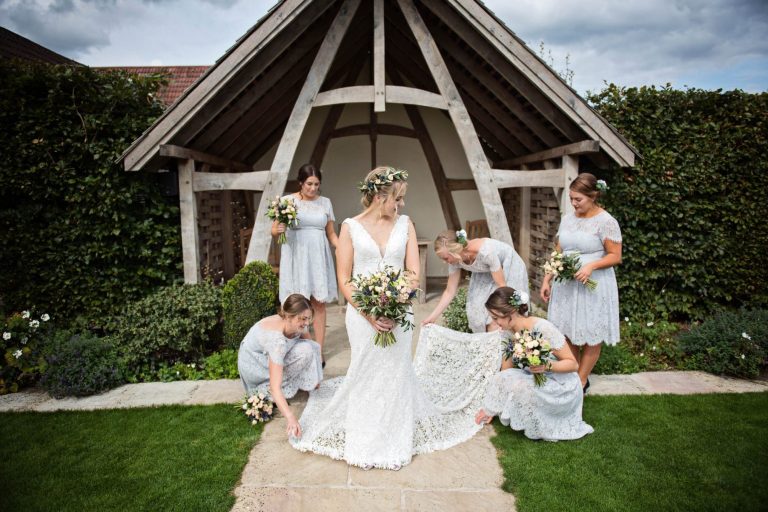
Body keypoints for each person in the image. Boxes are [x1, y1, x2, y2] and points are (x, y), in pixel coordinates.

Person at [291, 166, 502, 470]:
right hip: (361, 316)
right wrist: (369, 312)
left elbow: (413, 274)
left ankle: (395, 438)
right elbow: (344, 278)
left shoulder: (406, 224)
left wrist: (393, 304)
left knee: (395, 371)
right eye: (397, 198)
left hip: (398, 313)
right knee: (366, 371)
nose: (401, 204)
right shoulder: (350, 227)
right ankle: (365, 440)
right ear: (379, 195)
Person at [474, 287, 594, 441]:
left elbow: (573, 365)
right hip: (537, 377)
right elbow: (506, 371)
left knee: (523, 387)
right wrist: (493, 407)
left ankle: (543, 424)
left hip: (562, 384)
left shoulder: (542, 328)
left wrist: (546, 366)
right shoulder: (507, 333)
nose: (494, 322)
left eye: (496, 318)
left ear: (510, 314)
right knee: (502, 379)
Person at [540, 173, 622, 393]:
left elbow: (615, 256)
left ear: (592, 196)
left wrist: (590, 266)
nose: (574, 204)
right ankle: (571, 375)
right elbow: (559, 251)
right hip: (566, 285)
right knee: (568, 331)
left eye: (578, 200)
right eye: (572, 199)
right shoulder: (568, 219)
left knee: (591, 334)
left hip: (593, 284)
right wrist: (547, 278)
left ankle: (581, 382)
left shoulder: (606, 221)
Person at [272, 164, 338, 365]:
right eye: (309, 184)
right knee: (298, 303)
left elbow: (331, 234)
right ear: (300, 182)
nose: (313, 188)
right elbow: (274, 231)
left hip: (319, 256)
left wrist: (342, 247)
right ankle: (299, 348)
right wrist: (279, 228)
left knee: (318, 303)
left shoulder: (325, 203)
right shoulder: (286, 202)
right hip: (296, 256)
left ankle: (318, 350)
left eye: (317, 184)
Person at [237, 294, 323, 439]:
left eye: (308, 318)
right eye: (302, 319)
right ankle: (263, 390)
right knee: (277, 382)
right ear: (288, 316)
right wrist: (291, 417)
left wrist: (315, 376)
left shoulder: (297, 322)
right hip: (254, 363)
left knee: (309, 349)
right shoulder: (277, 342)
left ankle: (293, 383)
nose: (306, 323)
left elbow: (311, 345)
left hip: (269, 355)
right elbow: (274, 388)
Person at [422, 229, 529, 333]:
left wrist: (500, 314)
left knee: (501, 315)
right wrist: (432, 317)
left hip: (508, 266)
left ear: (455, 251)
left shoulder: (485, 252)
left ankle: (513, 341)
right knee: (476, 312)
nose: (445, 262)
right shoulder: (455, 260)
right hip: (485, 271)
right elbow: (450, 291)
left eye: (445, 258)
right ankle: (488, 342)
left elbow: (502, 286)